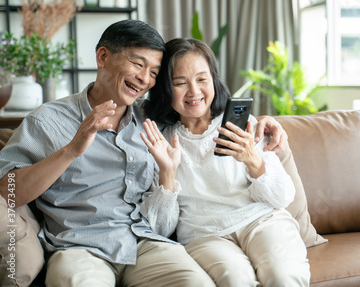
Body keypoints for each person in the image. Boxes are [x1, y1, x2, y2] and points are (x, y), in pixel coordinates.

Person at [0, 20, 288, 287]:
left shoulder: (151, 118)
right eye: (138, 64)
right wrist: (71, 150)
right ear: (102, 57)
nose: (144, 79)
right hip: (79, 247)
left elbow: (198, 112)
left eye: (153, 72)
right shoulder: (47, 120)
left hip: (144, 241)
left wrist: (265, 122)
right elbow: (7, 191)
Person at [141, 38, 310, 287]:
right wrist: (167, 172)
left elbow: (283, 198)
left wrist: (253, 160)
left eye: (201, 79)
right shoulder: (161, 141)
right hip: (204, 234)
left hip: (261, 220)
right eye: (180, 83)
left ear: (214, 80)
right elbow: (160, 229)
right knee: (235, 279)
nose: (194, 92)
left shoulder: (241, 124)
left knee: (283, 277)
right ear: (166, 88)